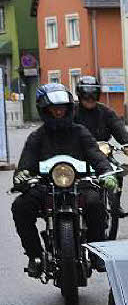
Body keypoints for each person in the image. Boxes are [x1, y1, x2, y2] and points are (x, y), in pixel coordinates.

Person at [12, 83, 115, 276]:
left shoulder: (80, 132)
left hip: (79, 184)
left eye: (62, 108)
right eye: (54, 108)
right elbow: (26, 162)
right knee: (20, 206)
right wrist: (21, 175)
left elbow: (95, 154)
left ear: (69, 109)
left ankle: (96, 253)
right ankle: (34, 255)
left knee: (96, 204)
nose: (59, 111)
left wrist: (107, 173)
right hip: (46, 187)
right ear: (44, 110)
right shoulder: (37, 136)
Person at [74, 75, 128, 218]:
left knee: (117, 170)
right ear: (79, 94)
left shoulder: (106, 112)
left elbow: (118, 128)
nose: (90, 98)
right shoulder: (72, 111)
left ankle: (115, 204)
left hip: (102, 151)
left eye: (93, 94)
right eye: (86, 94)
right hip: (77, 152)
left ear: (98, 95)